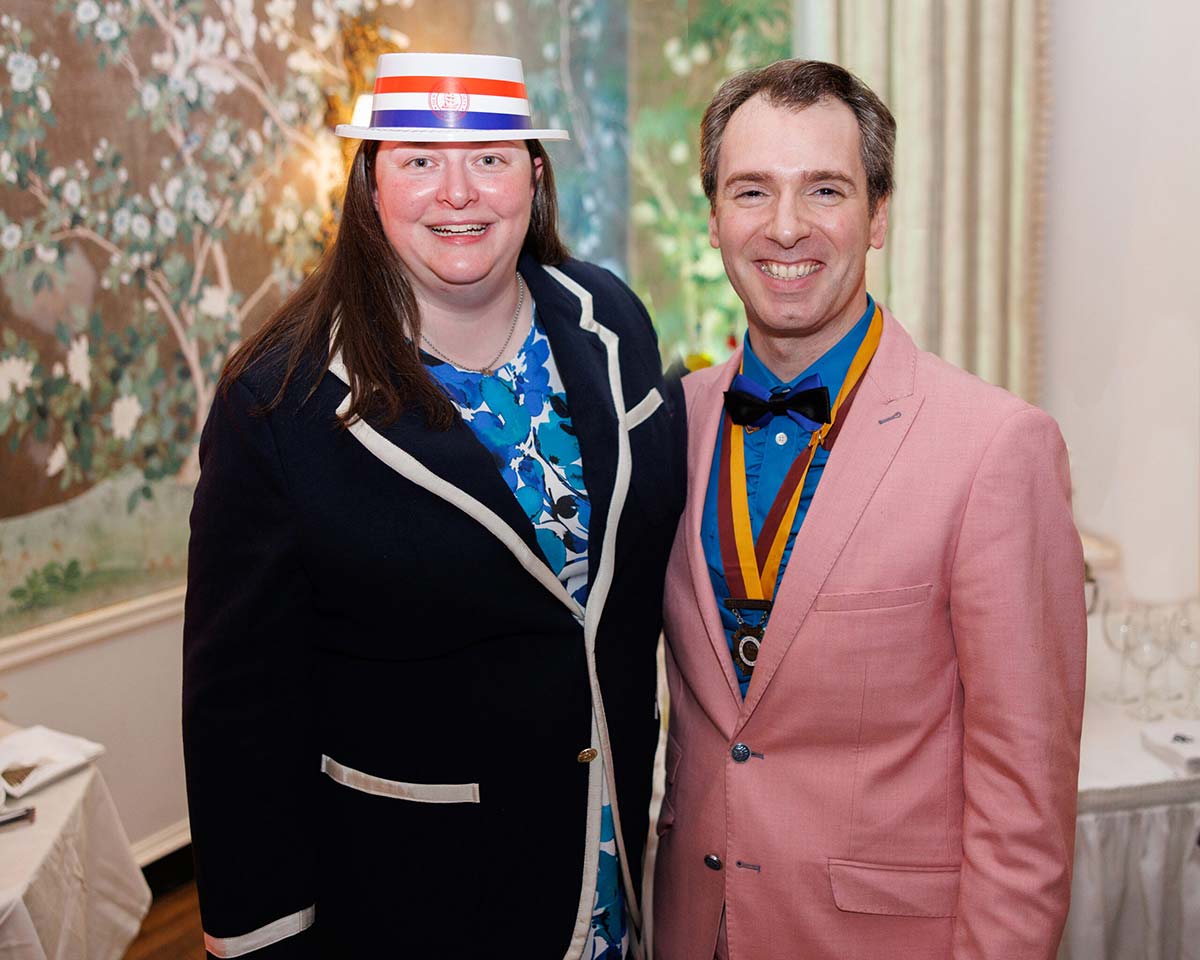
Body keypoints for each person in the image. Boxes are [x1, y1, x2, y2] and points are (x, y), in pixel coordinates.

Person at [183, 52, 684, 959]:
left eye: (491, 157)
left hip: (610, 857)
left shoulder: (611, 316)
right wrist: (259, 942)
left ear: (535, 174)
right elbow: (239, 718)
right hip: (422, 897)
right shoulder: (277, 402)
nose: (459, 192)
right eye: (419, 159)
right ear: (370, 185)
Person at [652, 59, 1086, 960]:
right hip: (692, 928)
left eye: (825, 189)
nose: (785, 226)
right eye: (751, 191)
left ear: (878, 215)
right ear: (713, 218)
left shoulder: (997, 447)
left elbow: (1026, 808)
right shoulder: (669, 425)